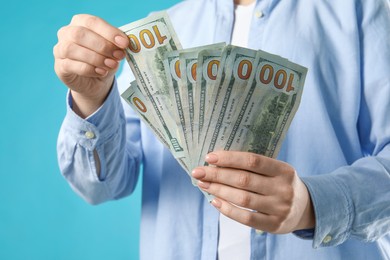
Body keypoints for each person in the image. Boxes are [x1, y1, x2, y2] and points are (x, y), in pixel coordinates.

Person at [53, 0, 390, 259]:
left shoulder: (361, 12)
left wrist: (314, 206)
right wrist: (91, 97)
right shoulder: (164, 32)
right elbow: (101, 185)